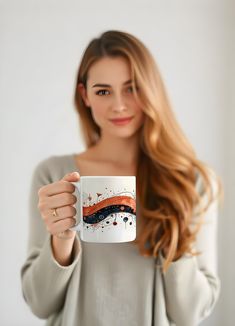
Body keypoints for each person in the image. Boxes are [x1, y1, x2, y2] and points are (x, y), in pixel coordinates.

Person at [20, 30, 224, 326]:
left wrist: (175, 242)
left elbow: (190, 313)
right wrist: (61, 240)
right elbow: (39, 303)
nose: (119, 105)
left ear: (152, 90)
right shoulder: (55, 176)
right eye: (103, 91)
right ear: (84, 96)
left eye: (132, 88)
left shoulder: (190, 182)